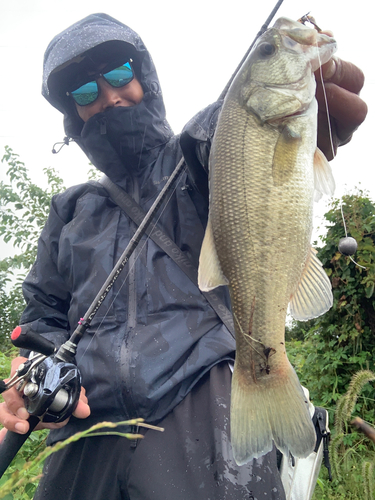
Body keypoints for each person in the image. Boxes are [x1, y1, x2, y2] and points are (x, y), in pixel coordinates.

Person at [0, 13, 367, 500]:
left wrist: (290, 107)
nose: (108, 95)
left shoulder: (194, 157)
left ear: (143, 76)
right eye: (85, 93)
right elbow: (44, 308)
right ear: (73, 112)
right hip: (88, 424)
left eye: (117, 74)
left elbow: (224, 134)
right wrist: (30, 369)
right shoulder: (70, 209)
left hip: (202, 400)